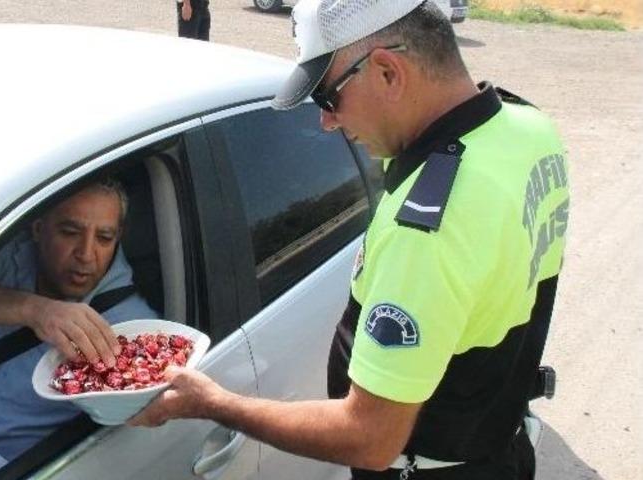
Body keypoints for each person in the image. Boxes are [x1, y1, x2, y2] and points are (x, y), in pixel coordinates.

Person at [130, 1, 570, 479]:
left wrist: (215, 404)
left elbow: (370, 438)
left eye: (327, 97)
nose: (326, 123)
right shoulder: (528, 127)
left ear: (387, 72)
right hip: (500, 447)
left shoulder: (424, 233)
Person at [0, 176, 158, 474]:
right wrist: (35, 310)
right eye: (70, 232)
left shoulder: (134, 329)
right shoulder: (13, 254)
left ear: (118, 237)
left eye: (104, 238)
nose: (86, 254)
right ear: (37, 228)